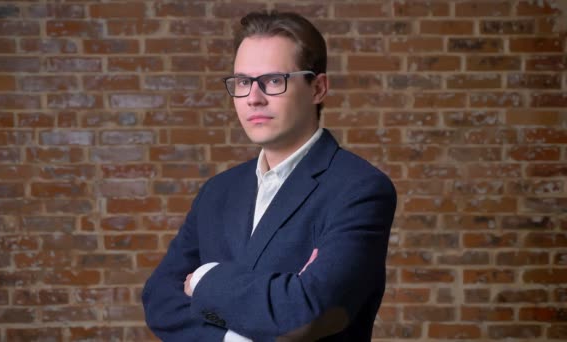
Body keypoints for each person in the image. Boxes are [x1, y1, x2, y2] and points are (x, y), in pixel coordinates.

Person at [142, 10, 396, 342]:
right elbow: (160, 300)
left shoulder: (360, 189)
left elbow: (309, 309)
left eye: (274, 81)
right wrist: (237, 336)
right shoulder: (217, 192)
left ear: (318, 88)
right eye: (243, 82)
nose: (253, 98)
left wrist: (205, 278)